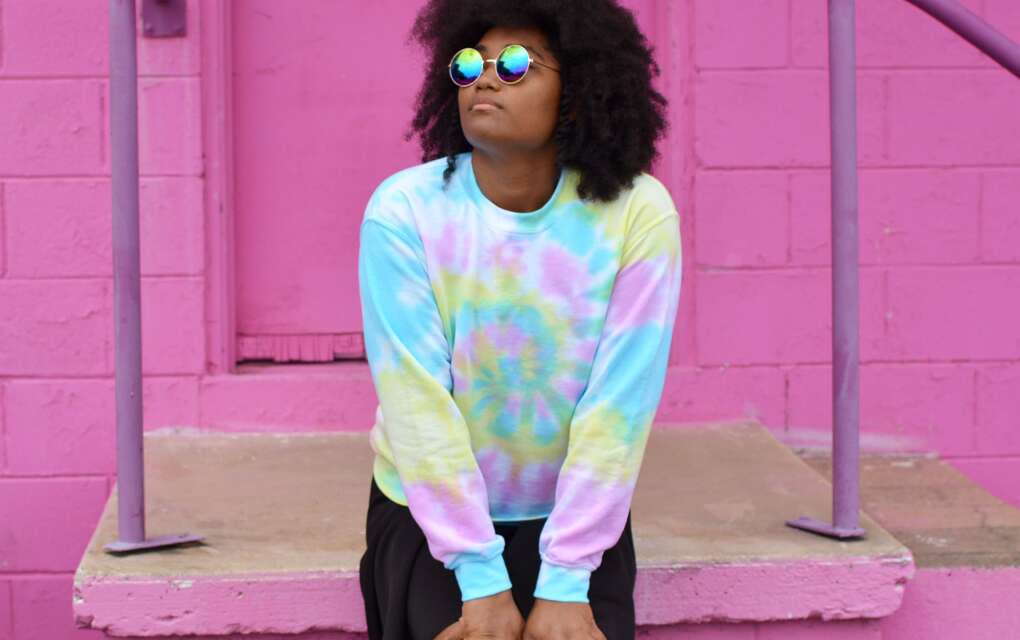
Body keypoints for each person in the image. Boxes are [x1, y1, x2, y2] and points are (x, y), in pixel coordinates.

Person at [357, 1, 681, 638]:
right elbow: (416, 403)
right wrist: (479, 576)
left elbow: (619, 406)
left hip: (576, 520)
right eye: (469, 63)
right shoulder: (404, 212)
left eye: (513, 66)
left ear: (580, 92)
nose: (482, 79)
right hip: (432, 518)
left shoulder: (639, 213)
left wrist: (567, 578)